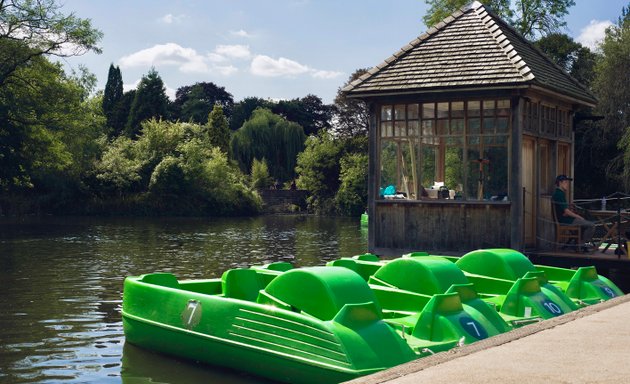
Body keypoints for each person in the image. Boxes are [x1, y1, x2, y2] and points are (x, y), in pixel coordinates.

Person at [552, 174, 595, 251]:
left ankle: (577, 244)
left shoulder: (560, 194)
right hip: (565, 221)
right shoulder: (559, 194)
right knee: (591, 225)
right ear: (560, 183)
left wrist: (570, 210)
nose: (567, 184)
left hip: (565, 218)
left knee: (584, 223)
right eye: (565, 182)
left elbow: (563, 210)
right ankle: (581, 245)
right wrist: (577, 216)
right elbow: (566, 211)